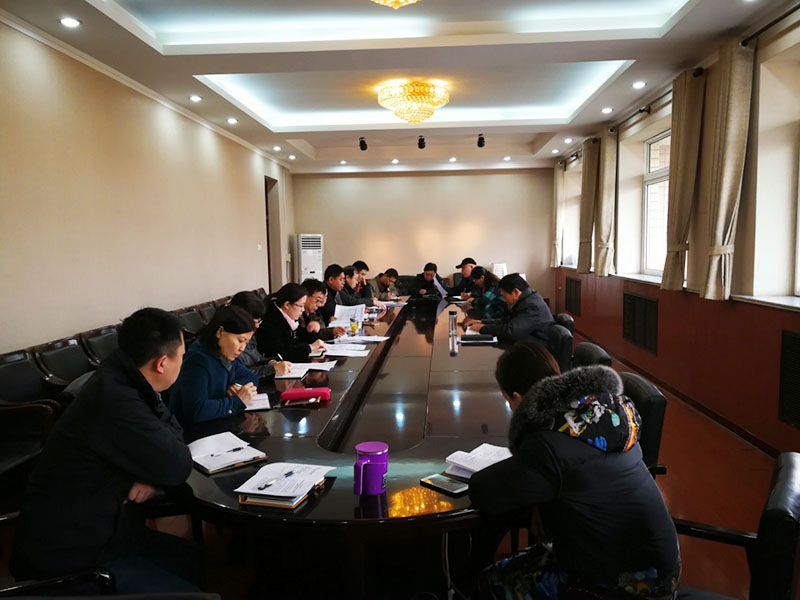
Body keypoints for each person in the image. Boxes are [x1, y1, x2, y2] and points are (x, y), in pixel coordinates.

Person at [470, 342, 680, 599]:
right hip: (660, 565)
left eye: (508, 402)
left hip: (622, 583)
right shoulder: (602, 408)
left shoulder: (547, 443)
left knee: (490, 582)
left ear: (518, 398)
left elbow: (484, 491)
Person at [11, 308, 200, 593]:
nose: (182, 363)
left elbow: (173, 429)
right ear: (162, 363)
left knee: (192, 560)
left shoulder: (125, 375)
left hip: (108, 526)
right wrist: (158, 469)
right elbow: (178, 464)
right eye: (181, 357)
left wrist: (153, 474)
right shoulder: (116, 399)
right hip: (75, 553)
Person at [170, 305, 260, 425]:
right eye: (240, 340)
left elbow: (251, 377)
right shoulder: (198, 360)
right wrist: (237, 401)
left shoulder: (224, 354)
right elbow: (196, 410)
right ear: (220, 332)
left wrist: (235, 387)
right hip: (191, 430)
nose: (242, 348)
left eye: (246, 343)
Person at [463, 273, 553, 344]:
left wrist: (483, 328)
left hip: (539, 349)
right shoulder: (527, 299)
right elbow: (508, 320)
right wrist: (482, 322)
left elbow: (511, 331)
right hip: (528, 342)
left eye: (505, 296)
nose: (505, 300)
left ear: (516, 292)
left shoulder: (532, 305)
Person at [256, 282, 328, 362]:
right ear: (287, 305)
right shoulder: (271, 321)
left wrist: (309, 331)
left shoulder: (286, 317)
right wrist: (310, 347)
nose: (303, 310)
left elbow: (298, 337)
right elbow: (281, 352)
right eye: (300, 306)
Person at [230, 290, 291, 379]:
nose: (257, 326)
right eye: (254, 322)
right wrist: (273, 369)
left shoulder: (250, 335)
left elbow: (258, 359)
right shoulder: (229, 341)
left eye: (259, 321)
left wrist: (272, 362)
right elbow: (239, 374)